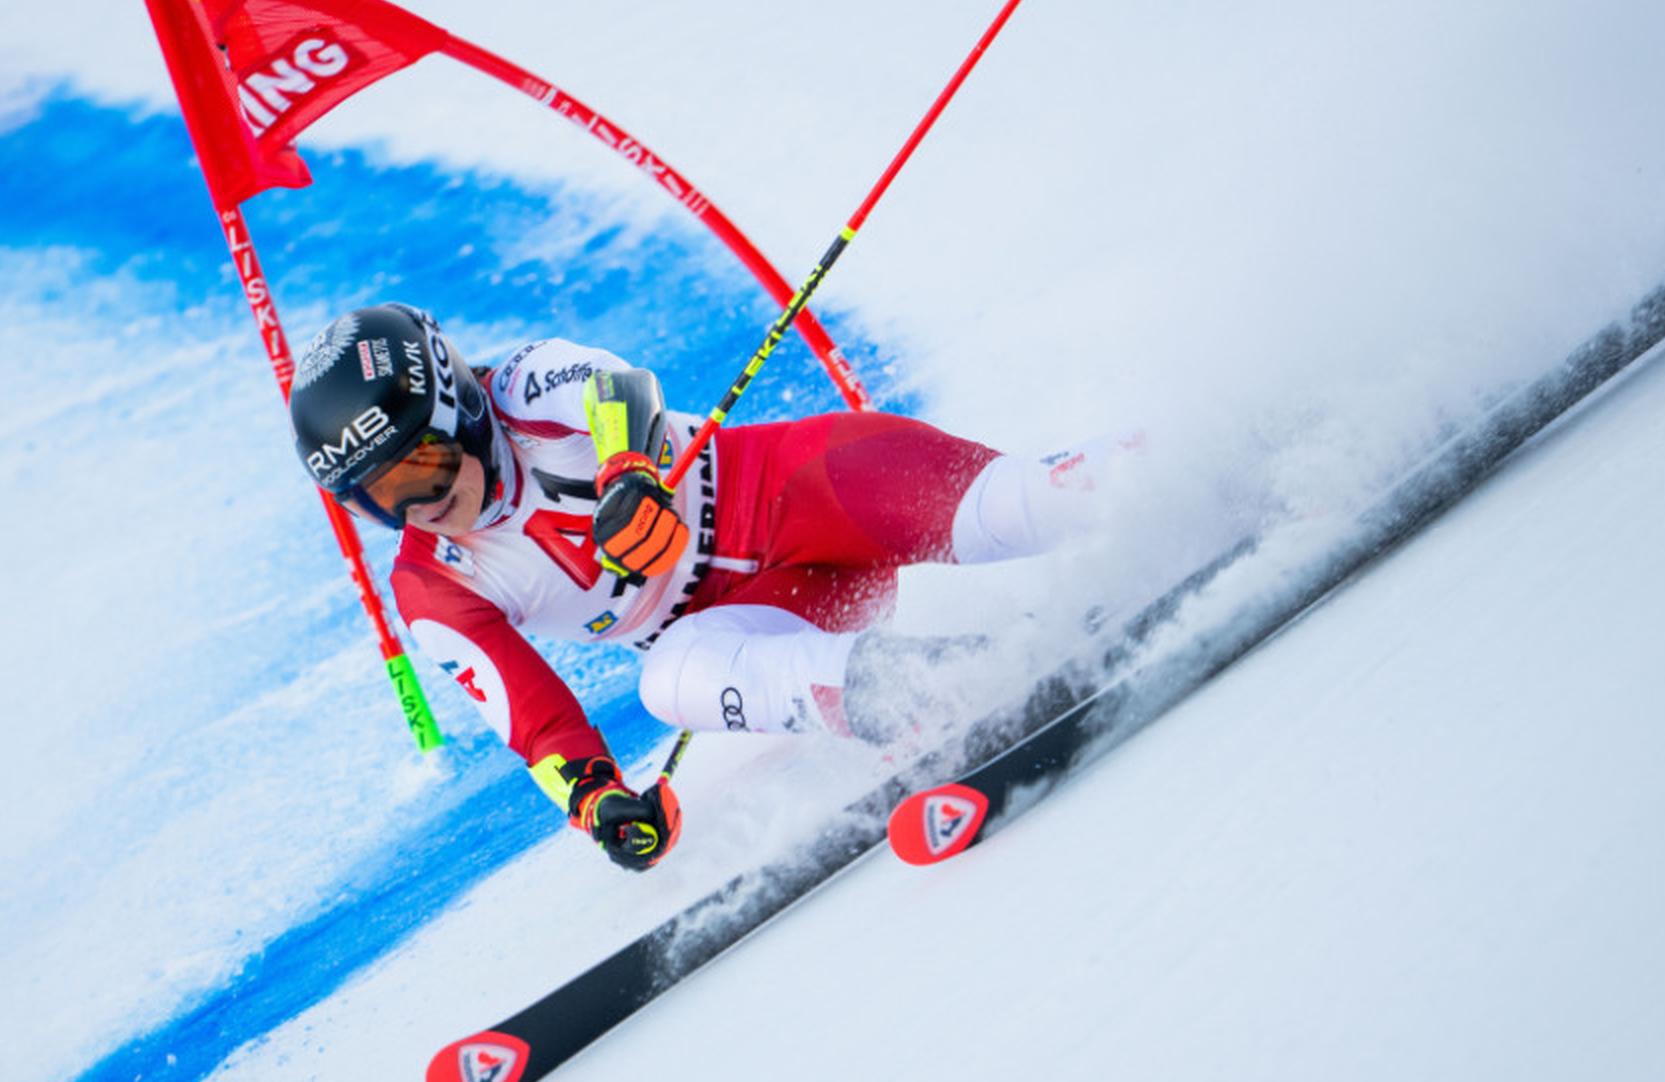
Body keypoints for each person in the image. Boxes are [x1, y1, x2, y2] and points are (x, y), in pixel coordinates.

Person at [289, 303, 1119, 871]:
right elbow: (532, 719)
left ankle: (1196, 457)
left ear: (461, 404)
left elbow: (619, 388)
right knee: (670, 680)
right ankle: (933, 688)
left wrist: (629, 475)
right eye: (382, 498)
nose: (424, 507)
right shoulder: (435, 585)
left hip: (818, 489)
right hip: (772, 621)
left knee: (1026, 506)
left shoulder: (523, 383)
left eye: (425, 465)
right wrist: (601, 805)